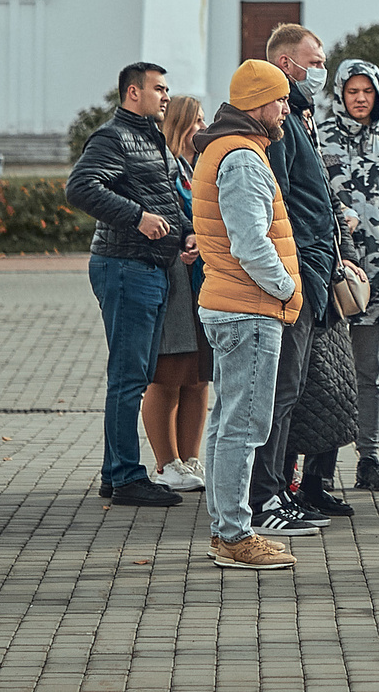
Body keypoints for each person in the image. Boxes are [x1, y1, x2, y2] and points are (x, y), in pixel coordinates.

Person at [192, 59, 308, 571]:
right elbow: (250, 243)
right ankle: (236, 535)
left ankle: (227, 530)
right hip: (249, 308)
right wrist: (286, 289)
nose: (285, 108)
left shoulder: (227, 149)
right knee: (243, 427)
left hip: (230, 304)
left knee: (226, 423)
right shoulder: (241, 158)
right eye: (280, 99)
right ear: (258, 102)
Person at [64, 60, 194, 510]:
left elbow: (166, 198)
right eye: (159, 89)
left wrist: (186, 233)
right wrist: (138, 218)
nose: (166, 96)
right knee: (128, 378)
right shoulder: (114, 137)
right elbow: (80, 188)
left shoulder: (152, 136)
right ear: (133, 92)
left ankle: (114, 473)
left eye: (167, 89)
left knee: (135, 375)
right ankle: (125, 477)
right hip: (125, 266)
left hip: (151, 266)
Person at [307, 57, 379, 502]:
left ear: (378, 94)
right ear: (340, 94)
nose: (360, 99)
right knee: (328, 372)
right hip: (331, 273)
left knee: (369, 372)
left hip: (377, 277)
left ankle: (368, 458)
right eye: (352, 91)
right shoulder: (320, 137)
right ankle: (319, 467)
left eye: (367, 91)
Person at [252, 24, 338, 537]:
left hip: (311, 269)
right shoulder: (277, 125)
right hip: (295, 273)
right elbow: (279, 202)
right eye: (316, 61)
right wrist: (299, 268)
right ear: (287, 64)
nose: (322, 70)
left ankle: (278, 491)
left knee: (291, 392)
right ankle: (262, 498)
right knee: (278, 393)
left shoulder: (299, 116)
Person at [143, 94, 212, 494]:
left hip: (205, 284)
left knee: (199, 377)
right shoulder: (164, 168)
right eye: (196, 121)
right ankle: (165, 463)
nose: (203, 128)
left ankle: (190, 459)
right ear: (179, 125)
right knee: (168, 374)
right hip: (174, 280)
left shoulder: (200, 167)